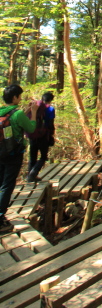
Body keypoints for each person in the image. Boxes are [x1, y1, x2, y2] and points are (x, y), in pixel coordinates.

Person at [0, 84, 39, 234]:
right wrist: (33, 113)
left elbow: (14, 120)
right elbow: (30, 128)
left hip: (0, 152)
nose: (20, 98)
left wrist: (26, 111)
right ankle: (0, 217)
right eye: (19, 96)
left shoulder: (3, 112)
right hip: (13, 154)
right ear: (15, 97)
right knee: (7, 185)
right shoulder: (17, 114)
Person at [27, 91, 56, 182]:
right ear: (51, 100)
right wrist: (51, 134)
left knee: (32, 156)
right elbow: (50, 123)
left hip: (32, 134)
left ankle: (30, 177)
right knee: (43, 156)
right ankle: (33, 173)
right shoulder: (50, 109)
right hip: (44, 135)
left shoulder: (35, 107)